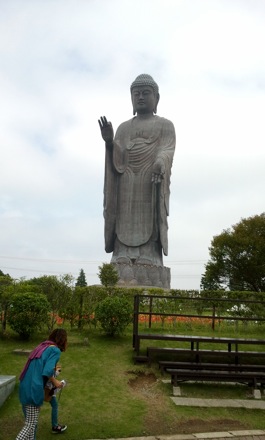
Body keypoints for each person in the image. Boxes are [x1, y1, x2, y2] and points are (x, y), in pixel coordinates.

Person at [99, 74, 175, 270]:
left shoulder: (165, 125)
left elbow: (167, 149)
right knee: (123, 213)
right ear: (131, 98)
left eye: (146, 93)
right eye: (136, 94)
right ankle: (121, 253)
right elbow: (117, 156)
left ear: (156, 98)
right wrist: (109, 142)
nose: (140, 97)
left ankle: (150, 255)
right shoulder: (124, 128)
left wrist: (160, 162)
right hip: (126, 180)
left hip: (149, 180)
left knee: (149, 214)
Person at [16, 328, 67, 440]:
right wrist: (56, 382)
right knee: (30, 425)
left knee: (31, 424)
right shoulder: (55, 351)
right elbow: (47, 371)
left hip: (24, 385)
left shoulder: (42, 347)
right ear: (63, 340)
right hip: (34, 389)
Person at [45, 364, 67, 434]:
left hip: (48, 390)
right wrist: (62, 384)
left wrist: (57, 371)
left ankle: (55, 426)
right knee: (54, 406)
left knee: (55, 406)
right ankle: (55, 427)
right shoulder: (49, 372)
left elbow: (53, 378)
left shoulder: (48, 370)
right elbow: (53, 382)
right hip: (47, 391)